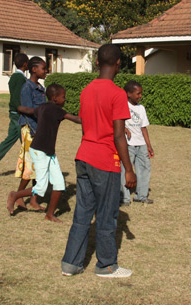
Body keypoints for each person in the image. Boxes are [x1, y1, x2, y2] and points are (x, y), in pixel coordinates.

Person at [61, 44, 136, 278]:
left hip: (83, 156)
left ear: (96, 63)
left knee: (82, 212)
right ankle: (106, 266)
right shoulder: (117, 94)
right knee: (106, 214)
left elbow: (86, 122)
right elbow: (117, 135)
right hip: (104, 161)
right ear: (118, 64)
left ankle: (70, 264)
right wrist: (129, 170)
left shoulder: (86, 90)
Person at [6, 84, 81, 223]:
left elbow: (29, 110)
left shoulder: (42, 107)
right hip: (40, 151)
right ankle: (15, 195)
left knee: (59, 184)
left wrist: (17, 107)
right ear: (55, 98)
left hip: (47, 151)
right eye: (63, 97)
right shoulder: (56, 110)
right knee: (41, 187)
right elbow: (77, 119)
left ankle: (49, 214)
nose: (65, 99)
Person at [14, 56, 48, 210]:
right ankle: (18, 196)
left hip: (39, 130)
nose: (46, 71)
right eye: (44, 68)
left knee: (38, 166)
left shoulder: (41, 88)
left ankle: (34, 200)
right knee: (31, 166)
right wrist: (36, 131)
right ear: (34, 70)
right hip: (30, 130)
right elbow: (28, 111)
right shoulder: (27, 88)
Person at [120, 80, 154, 206]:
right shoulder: (122, 105)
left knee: (144, 169)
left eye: (141, 93)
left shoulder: (141, 108)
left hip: (141, 145)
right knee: (125, 170)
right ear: (128, 93)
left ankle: (141, 195)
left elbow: (143, 127)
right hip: (128, 145)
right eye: (138, 93)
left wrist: (148, 145)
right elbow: (115, 122)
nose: (140, 96)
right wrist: (124, 129)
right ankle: (125, 198)